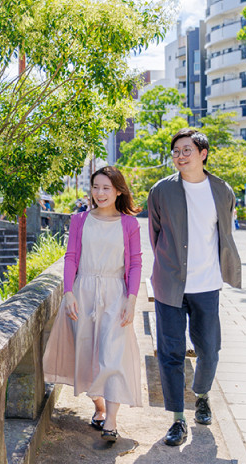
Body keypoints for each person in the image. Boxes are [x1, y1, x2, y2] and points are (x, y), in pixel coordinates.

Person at [148, 128, 241, 447]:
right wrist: (166, 268)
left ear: (203, 154)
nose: (180, 156)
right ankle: (177, 419)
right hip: (170, 285)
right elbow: (156, 235)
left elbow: (226, 232)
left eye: (186, 150)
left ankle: (201, 395)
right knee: (170, 354)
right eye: (175, 152)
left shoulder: (221, 190)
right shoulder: (161, 191)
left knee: (210, 350)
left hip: (207, 284)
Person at [43, 166, 143, 444]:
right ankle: (99, 406)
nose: (100, 193)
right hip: (84, 292)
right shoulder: (80, 220)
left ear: (119, 190)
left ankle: (111, 421)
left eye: (106, 188)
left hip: (115, 294)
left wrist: (131, 299)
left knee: (112, 356)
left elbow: (135, 264)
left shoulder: (129, 224)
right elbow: (71, 257)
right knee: (87, 359)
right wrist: (68, 292)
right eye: (96, 187)